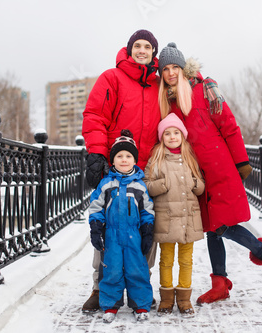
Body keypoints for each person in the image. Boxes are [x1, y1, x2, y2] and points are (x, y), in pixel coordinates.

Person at [157, 43, 262, 305]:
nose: (170, 73)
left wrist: (241, 161)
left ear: (183, 68)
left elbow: (229, 125)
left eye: (174, 67)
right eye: (165, 69)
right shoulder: (168, 102)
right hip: (196, 172)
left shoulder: (206, 89)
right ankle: (220, 284)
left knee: (223, 224)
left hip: (221, 166)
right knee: (212, 230)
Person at [81, 29, 161, 312]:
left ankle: (141, 285)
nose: (142, 50)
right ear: (129, 50)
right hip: (115, 167)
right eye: (137, 46)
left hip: (147, 169)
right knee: (108, 226)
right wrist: (97, 155)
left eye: (148, 47)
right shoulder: (111, 78)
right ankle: (99, 288)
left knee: (145, 226)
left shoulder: (159, 85)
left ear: (154, 53)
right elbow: (95, 116)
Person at [88, 129, 154, 323]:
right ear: (113, 160)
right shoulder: (106, 184)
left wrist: (147, 230)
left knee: (137, 269)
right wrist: (96, 227)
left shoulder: (140, 186)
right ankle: (110, 305)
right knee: (112, 270)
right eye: (119, 156)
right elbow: (96, 206)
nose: (124, 160)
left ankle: (140, 304)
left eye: (128, 156)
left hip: (135, 236)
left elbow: (147, 209)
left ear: (134, 160)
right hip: (112, 236)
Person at [144, 113, 205, 317]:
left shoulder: (190, 158)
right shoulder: (157, 159)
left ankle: (185, 298)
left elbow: (201, 184)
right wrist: (161, 185)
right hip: (167, 219)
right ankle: (167, 298)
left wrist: (196, 185)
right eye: (167, 133)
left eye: (176, 132)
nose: (172, 137)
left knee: (186, 260)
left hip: (188, 219)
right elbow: (146, 185)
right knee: (166, 260)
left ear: (183, 135)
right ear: (162, 137)